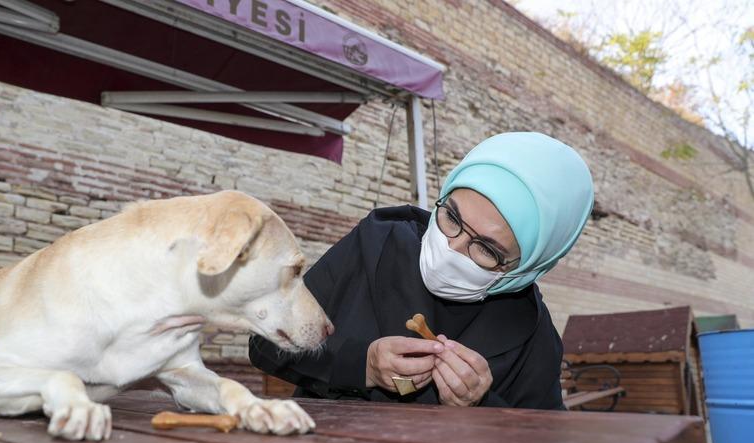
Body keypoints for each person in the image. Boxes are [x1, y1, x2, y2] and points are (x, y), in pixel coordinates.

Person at [249, 132, 594, 409]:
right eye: (452, 217)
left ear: (527, 267)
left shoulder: (532, 333)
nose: (452, 248)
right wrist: (362, 365)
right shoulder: (375, 243)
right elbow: (264, 343)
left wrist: (484, 404)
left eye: (487, 249)